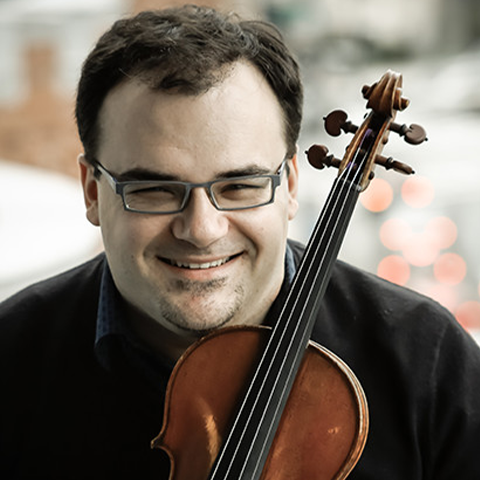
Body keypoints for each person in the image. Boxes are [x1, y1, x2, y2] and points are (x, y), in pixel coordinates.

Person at [1, 5, 479, 479]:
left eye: (240, 186)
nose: (202, 230)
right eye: (154, 190)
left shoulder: (430, 362)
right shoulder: (13, 358)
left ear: (289, 185)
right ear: (91, 190)